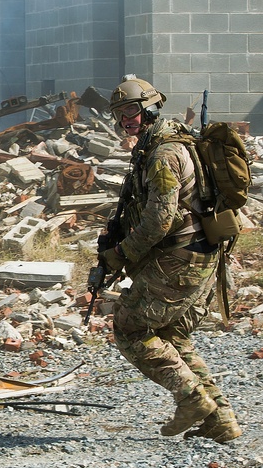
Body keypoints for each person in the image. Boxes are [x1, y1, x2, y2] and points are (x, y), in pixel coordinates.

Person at [101, 76, 241, 443]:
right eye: (119, 114)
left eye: (131, 110)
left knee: (130, 328)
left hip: (180, 259)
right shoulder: (166, 142)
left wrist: (120, 254)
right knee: (170, 335)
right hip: (198, 257)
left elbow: (159, 220)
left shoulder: (164, 154)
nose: (125, 119)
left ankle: (192, 399)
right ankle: (221, 419)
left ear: (150, 107)